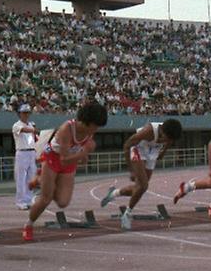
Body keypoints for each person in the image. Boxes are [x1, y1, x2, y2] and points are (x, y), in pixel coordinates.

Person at [23, 101, 107, 242]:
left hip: (70, 161)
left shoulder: (89, 132)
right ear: (88, 122)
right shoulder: (66, 129)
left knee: (63, 202)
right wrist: (84, 152)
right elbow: (63, 159)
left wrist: (85, 155)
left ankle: (41, 179)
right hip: (53, 158)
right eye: (96, 126)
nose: (97, 129)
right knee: (46, 198)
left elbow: (81, 159)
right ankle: (28, 226)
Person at [100, 118, 183, 230]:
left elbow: (170, 141)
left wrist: (163, 152)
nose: (166, 140)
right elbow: (126, 145)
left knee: (139, 188)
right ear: (162, 131)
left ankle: (113, 193)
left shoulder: (170, 133)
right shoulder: (148, 131)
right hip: (138, 149)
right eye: (166, 138)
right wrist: (131, 170)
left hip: (153, 151)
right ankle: (127, 215)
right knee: (144, 185)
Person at [12, 104, 38, 210]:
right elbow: (23, 130)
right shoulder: (17, 125)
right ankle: (20, 201)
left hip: (32, 152)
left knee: (31, 177)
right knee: (21, 178)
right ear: (20, 114)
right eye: (24, 113)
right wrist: (33, 129)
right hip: (22, 152)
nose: (26, 115)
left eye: (28, 113)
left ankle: (28, 199)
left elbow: (34, 138)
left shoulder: (31, 125)